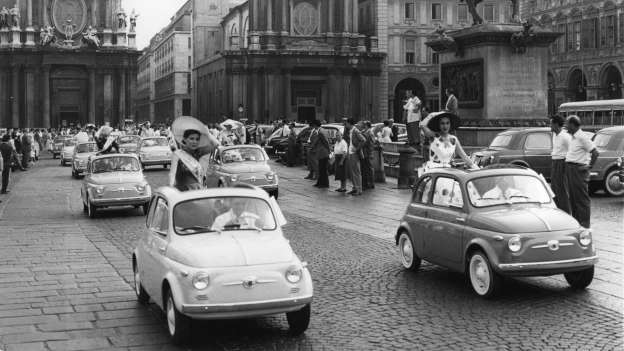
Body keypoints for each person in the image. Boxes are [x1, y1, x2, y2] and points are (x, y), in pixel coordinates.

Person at [565, 115, 599, 228]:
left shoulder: (582, 137)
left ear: (573, 125)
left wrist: (589, 167)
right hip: (571, 169)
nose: (566, 126)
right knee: (573, 198)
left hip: (578, 170)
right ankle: (576, 223)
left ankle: (584, 224)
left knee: (581, 199)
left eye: (567, 124)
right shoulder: (573, 137)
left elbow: (595, 152)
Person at [550, 115, 571, 213]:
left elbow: (572, 151)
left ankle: (566, 213)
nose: (550, 126)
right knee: (554, 189)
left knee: (562, 189)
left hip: (562, 163)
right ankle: (557, 211)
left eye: (551, 123)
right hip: (555, 162)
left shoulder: (565, 137)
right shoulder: (554, 135)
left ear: (556, 124)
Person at [346, 118, 365, 196]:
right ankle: (355, 188)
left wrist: (357, 149)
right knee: (352, 172)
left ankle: (358, 189)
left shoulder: (355, 131)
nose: (346, 125)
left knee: (356, 172)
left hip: (354, 154)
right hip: (350, 153)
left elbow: (363, 140)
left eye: (346, 123)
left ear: (350, 124)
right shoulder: (351, 131)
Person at [310, 120, 330, 188]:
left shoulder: (321, 132)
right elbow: (317, 141)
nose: (313, 127)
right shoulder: (321, 130)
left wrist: (329, 150)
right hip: (321, 152)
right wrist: (312, 147)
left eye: (314, 125)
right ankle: (320, 182)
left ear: (315, 125)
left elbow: (326, 142)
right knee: (321, 168)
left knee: (323, 169)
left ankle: (324, 184)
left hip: (323, 152)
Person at [361, 121, 375, 190]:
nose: (364, 126)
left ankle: (371, 183)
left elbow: (368, 143)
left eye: (365, 125)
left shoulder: (369, 132)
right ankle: (368, 183)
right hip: (366, 152)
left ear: (367, 125)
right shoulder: (367, 132)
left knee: (369, 168)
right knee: (367, 168)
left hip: (368, 153)